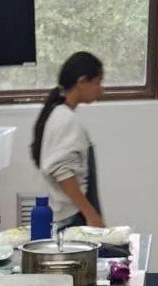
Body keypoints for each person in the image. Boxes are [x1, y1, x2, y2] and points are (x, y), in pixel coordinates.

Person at [31, 52, 105, 230]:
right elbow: (63, 173)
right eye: (97, 82)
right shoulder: (67, 120)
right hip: (71, 219)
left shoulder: (58, 113)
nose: (100, 89)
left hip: (67, 217)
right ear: (81, 82)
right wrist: (90, 214)